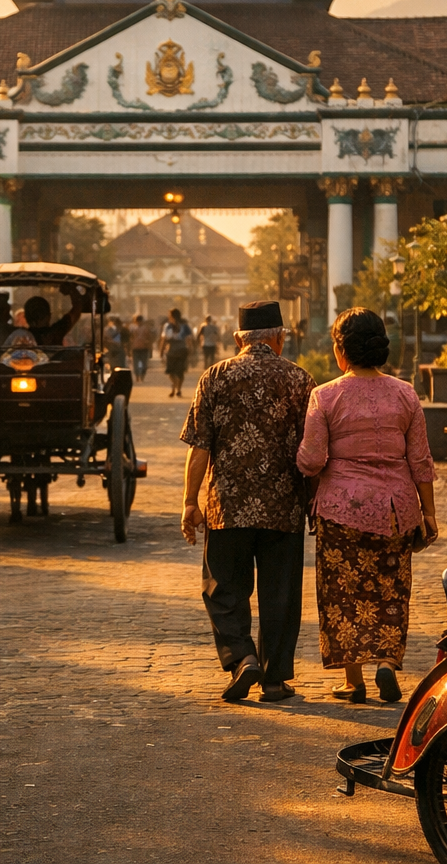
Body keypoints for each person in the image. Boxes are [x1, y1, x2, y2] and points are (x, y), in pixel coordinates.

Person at [296, 308, 436, 704]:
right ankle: (388, 663)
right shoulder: (405, 393)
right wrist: (428, 515)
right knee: (391, 589)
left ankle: (353, 680)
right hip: (396, 509)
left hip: (341, 509)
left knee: (342, 593)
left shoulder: (324, 396)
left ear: (341, 351)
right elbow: (421, 461)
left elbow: (311, 460)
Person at [181, 301, 315, 702]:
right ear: (279, 338)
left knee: (222, 588)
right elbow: (313, 450)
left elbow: (200, 446)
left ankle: (243, 659)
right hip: (283, 506)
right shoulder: (300, 379)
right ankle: (274, 681)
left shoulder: (215, 376)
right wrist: (313, 501)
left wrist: (191, 501)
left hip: (228, 506)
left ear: (239, 338)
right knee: (280, 594)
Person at [160, 308, 192, 397]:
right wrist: (161, 350)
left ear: (172, 316)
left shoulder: (183, 326)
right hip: (175, 351)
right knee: (174, 372)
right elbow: (164, 339)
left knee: (176, 372)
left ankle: (177, 389)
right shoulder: (168, 326)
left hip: (177, 351)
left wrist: (161, 351)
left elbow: (189, 339)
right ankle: (176, 387)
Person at [130, 315, 153, 382]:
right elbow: (130, 338)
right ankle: (137, 376)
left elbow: (149, 337)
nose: (139, 322)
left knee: (144, 364)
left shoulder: (146, 328)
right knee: (136, 364)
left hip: (144, 348)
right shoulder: (132, 328)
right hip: (135, 348)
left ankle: (142, 376)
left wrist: (148, 344)